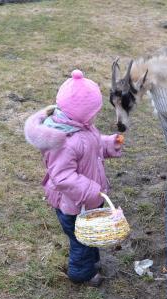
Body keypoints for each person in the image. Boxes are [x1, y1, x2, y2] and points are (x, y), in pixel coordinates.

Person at [24, 69, 124, 287]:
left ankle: (90, 262)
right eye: (94, 112)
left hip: (86, 200)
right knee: (80, 240)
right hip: (72, 204)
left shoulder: (81, 126)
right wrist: (90, 190)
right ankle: (81, 274)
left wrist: (107, 143)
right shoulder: (64, 141)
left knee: (89, 236)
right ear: (82, 113)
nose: (96, 116)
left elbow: (92, 145)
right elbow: (62, 177)